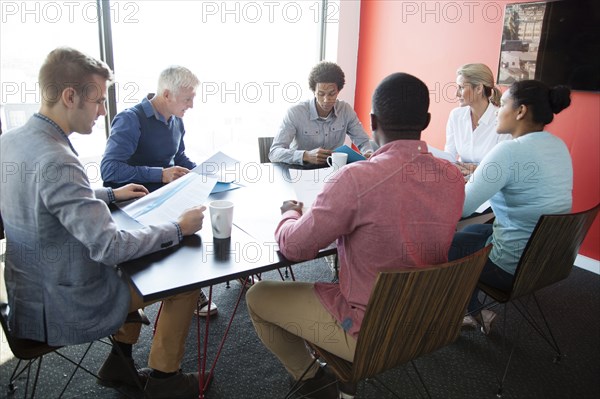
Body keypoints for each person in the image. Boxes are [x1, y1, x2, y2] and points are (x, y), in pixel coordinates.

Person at [0, 47, 208, 399]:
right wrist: (178, 228)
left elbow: (44, 199)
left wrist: (110, 195)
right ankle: (165, 381)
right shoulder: (58, 158)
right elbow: (110, 246)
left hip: (27, 295)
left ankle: (119, 360)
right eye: (97, 101)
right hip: (62, 305)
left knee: (139, 261)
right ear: (70, 97)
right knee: (182, 282)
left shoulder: (12, 141)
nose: (102, 111)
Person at [246, 73, 465, 398]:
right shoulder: (453, 176)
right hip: (427, 317)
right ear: (427, 120)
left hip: (363, 331)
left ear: (373, 121)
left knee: (258, 295)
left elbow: (294, 247)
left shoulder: (355, 179)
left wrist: (289, 213)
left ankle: (313, 382)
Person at [449, 80, 573, 334]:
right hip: (549, 259)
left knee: (446, 246)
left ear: (521, 111)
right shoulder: (558, 146)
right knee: (467, 236)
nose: (496, 110)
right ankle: (473, 310)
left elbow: (461, 208)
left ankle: (459, 311)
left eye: (502, 103)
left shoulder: (507, 151)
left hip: (511, 268)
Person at [100, 66, 217, 317]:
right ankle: (186, 290)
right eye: (188, 99)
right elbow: (109, 170)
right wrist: (160, 174)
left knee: (205, 211)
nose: (192, 105)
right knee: (186, 229)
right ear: (166, 94)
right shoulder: (130, 119)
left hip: (166, 197)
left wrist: (204, 173)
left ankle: (193, 285)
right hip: (133, 204)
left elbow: (179, 157)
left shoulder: (176, 121)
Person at [269, 61, 374, 166]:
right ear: (314, 91)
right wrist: (306, 156)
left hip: (333, 172)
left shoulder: (345, 110)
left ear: (338, 91)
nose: (326, 100)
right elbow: (274, 152)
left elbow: (364, 141)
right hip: (301, 172)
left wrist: (368, 152)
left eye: (331, 94)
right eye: (321, 94)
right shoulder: (295, 113)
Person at [445, 63, 510, 176]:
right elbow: (449, 157)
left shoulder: (503, 120)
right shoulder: (456, 116)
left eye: (461, 87)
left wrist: (475, 169)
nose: (456, 94)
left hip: (491, 185)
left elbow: (502, 167)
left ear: (479, 88)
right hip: (460, 179)